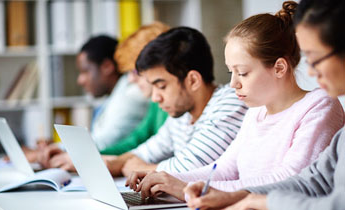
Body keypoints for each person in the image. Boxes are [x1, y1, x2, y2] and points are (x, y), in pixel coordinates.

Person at [125, 1, 344, 202]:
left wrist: (187, 187)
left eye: (242, 73)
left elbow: (290, 178)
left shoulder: (318, 106)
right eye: (231, 72)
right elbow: (223, 168)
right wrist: (167, 178)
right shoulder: (255, 112)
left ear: (279, 68)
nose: (233, 84)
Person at [104, 27, 248, 177]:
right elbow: (146, 151)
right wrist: (113, 164)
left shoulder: (230, 103)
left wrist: (139, 168)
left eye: (161, 86)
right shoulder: (183, 114)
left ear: (192, 80)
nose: (155, 98)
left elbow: (188, 169)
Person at [37, 35, 149, 169]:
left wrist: (60, 150)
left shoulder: (131, 94)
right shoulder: (115, 95)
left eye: (85, 71)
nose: (80, 80)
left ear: (107, 66)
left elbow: (104, 142)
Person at [100, 21, 170, 155]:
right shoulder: (155, 103)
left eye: (135, 72)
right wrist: (96, 156)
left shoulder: (173, 104)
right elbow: (135, 140)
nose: (131, 79)